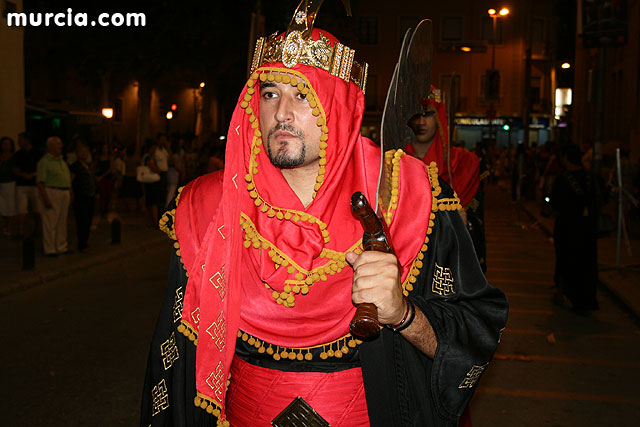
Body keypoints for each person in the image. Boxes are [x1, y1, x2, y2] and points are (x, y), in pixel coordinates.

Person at [141, 7, 508, 427]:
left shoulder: (410, 197)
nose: (281, 112)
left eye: (302, 94)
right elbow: (171, 364)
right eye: (269, 93)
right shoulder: (206, 206)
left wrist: (404, 314)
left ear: (339, 106)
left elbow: (476, 331)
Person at [406, 87, 487, 272]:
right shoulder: (391, 159)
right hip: (406, 263)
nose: (421, 122)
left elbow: (477, 227)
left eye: (428, 114)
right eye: (415, 115)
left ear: (439, 116)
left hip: (450, 263)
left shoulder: (464, 164)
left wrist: (462, 222)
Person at [550, 144, 604, 313]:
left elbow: (554, 204)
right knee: (587, 263)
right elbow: (602, 199)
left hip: (567, 228)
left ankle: (566, 294)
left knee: (566, 261)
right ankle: (587, 299)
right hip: (588, 228)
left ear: (566, 158)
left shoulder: (563, 179)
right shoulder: (592, 178)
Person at [36, 136, 71, 256]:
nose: (60, 146)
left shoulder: (62, 161)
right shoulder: (44, 162)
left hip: (63, 191)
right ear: (50, 146)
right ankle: (50, 248)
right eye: (57, 144)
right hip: (52, 190)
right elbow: (40, 182)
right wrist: (45, 198)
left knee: (62, 220)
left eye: (60, 144)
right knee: (50, 221)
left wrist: (70, 192)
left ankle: (61, 246)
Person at [12, 132, 41, 237]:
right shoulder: (18, 154)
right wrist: (22, 174)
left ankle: (38, 227)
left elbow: (41, 168)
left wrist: (32, 175)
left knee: (37, 208)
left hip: (34, 184)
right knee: (21, 208)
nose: (19, 142)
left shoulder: (37, 153)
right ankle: (21, 230)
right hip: (22, 184)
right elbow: (14, 168)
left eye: (20, 139)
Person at [69, 144, 96, 253]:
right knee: (81, 220)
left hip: (90, 196)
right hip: (81, 197)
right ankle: (81, 243)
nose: (84, 154)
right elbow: (70, 181)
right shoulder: (75, 166)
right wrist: (71, 194)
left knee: (88, 220)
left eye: (86, 152)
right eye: (82, 152)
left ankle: (85, 241)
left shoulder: (88, 166)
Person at [0, 136, 17, 236]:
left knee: (10, 205)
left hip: (10, 183)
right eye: (4, 144)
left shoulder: (14, 157)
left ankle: (9, 226)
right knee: (2, 205)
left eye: (8, 144)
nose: (6, 146)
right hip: (1, 183)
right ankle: (5, 224)